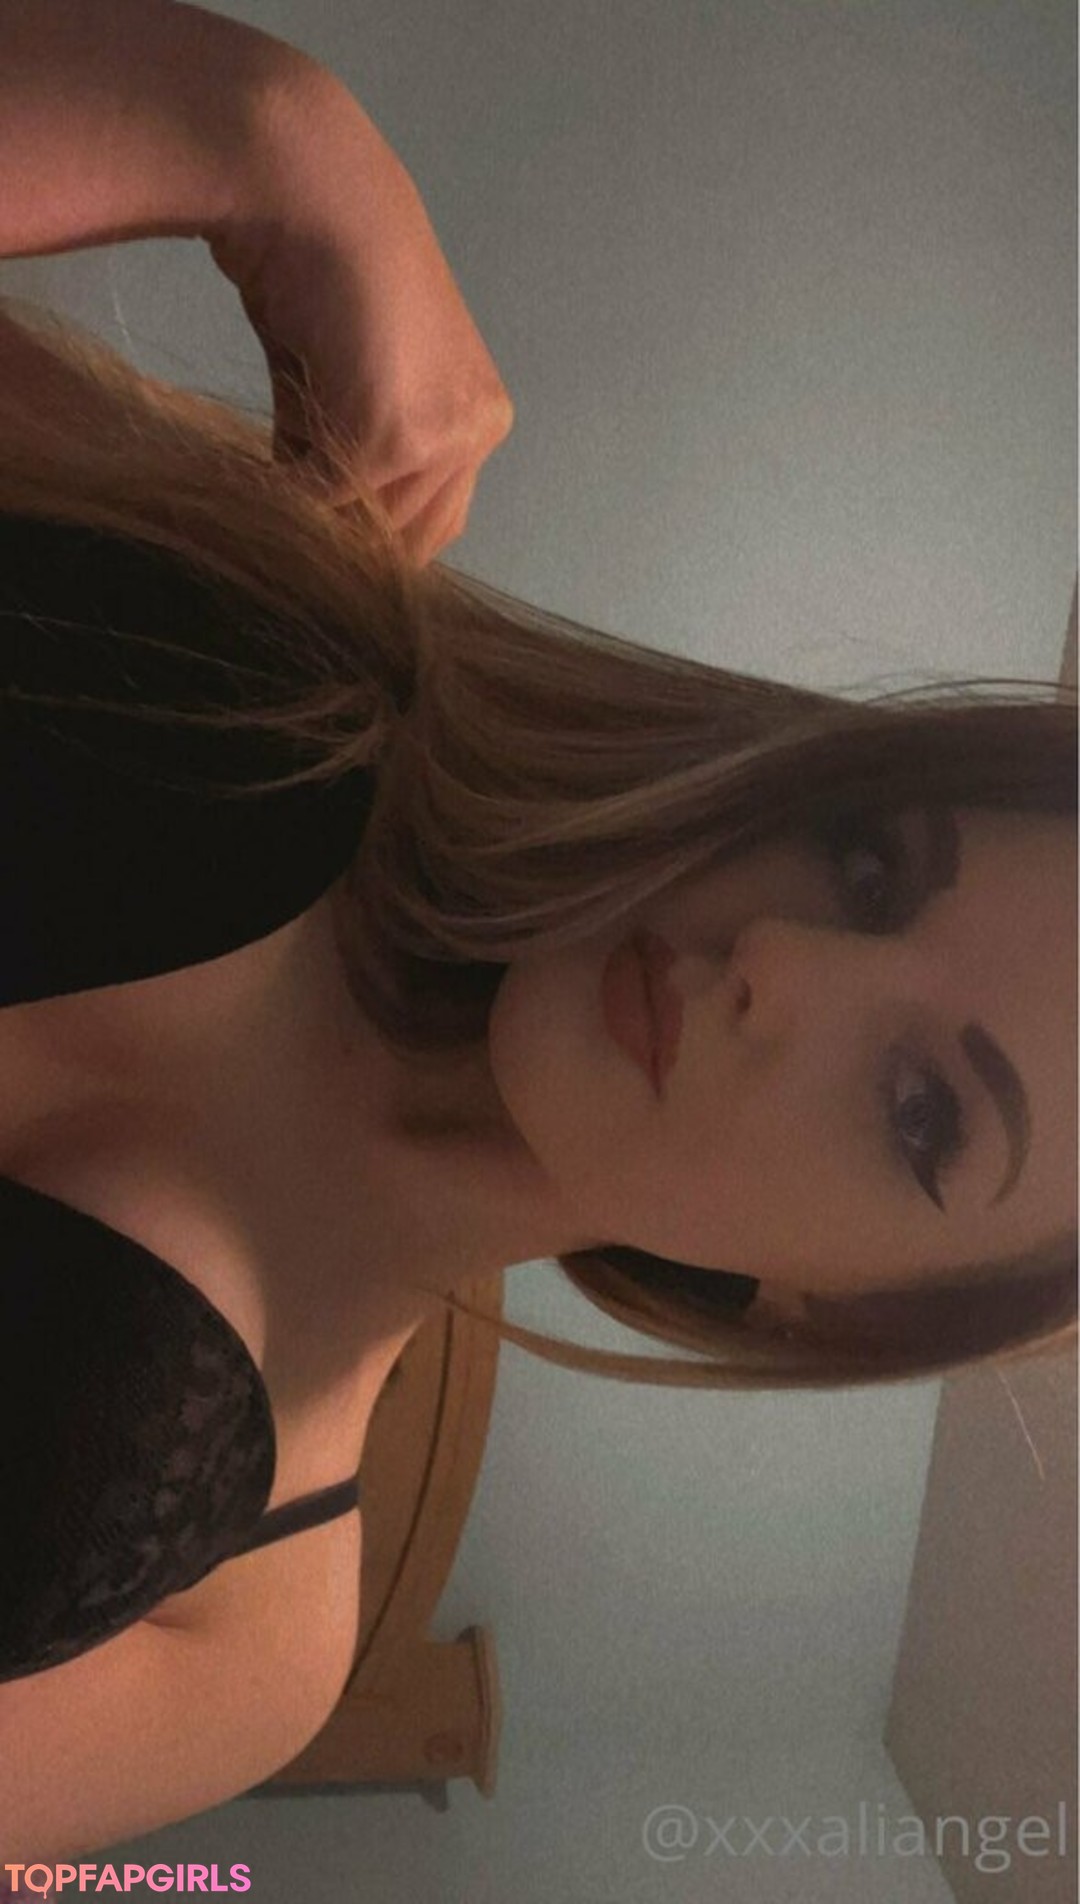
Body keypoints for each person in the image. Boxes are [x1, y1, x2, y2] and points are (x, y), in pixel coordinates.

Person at [0, 0, 1075, 1867]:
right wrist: (248, 123)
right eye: (870, 869)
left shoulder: (254, 1647)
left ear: (837, 1309)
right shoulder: (278, 631)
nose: (784, 972)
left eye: (921, 1113)